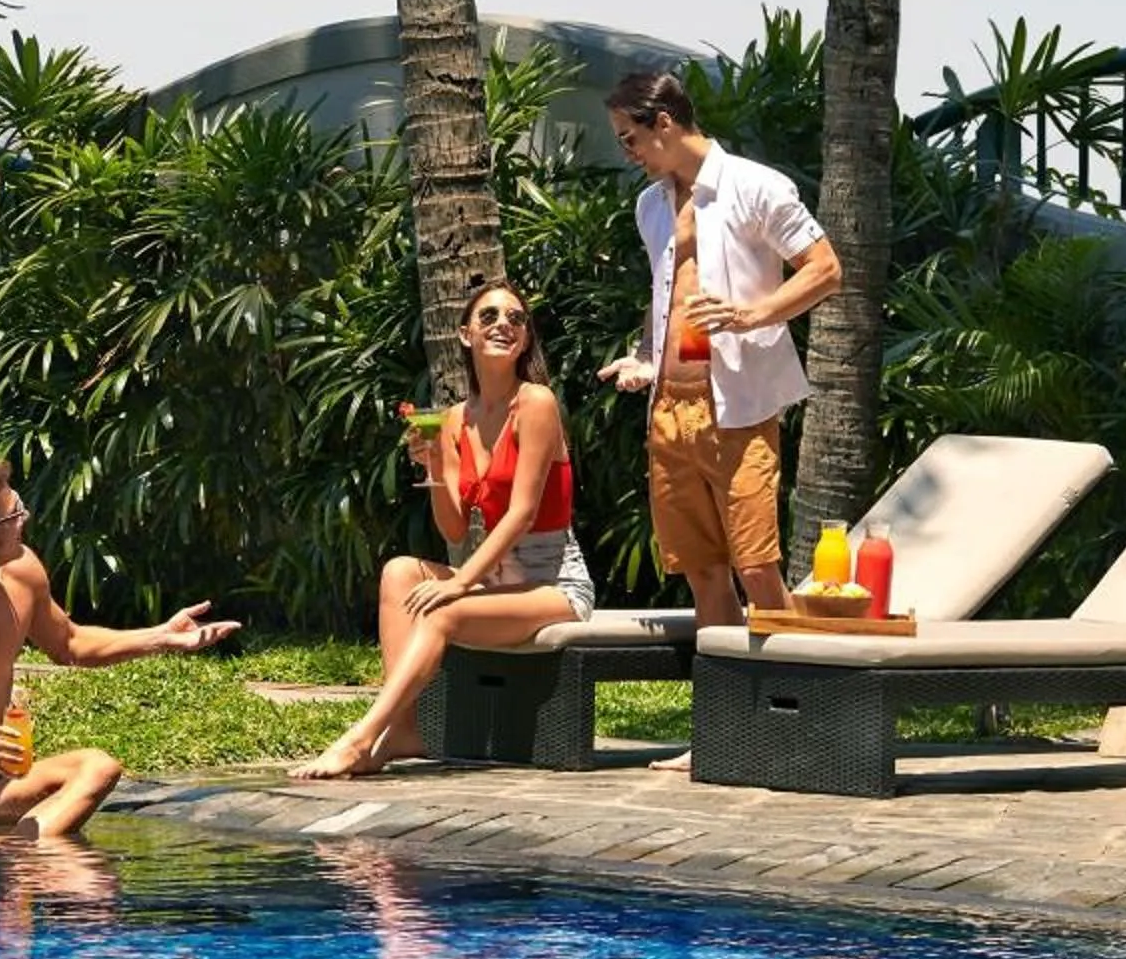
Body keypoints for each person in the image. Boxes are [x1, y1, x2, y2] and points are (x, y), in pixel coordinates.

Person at [293, 277, 598, 780]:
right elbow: (456, 530)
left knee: (442, 613)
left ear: (525, 339)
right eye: (490, 317)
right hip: (493, 578)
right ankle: (405, 732)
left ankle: (362, 737)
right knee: (398, 572)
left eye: (516, 319)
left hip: (553, 585)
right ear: (464, 334)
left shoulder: (536, 402)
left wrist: (458, 583)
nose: (504, 324)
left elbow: (522, 512)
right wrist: (435, 466)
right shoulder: (456, 417)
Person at [0, 460, 241, 845]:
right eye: (14, 514)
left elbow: (71, 644)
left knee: (98, 768)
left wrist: (161, 637)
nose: (24, 519)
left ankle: (19, 857)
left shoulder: (22, 573)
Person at [594, 71, 840, 646]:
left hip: (739, 406)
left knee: (755, 565)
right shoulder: (650, 207)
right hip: (668, 410)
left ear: (665, 123)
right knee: (702, 570)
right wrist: (644, 358)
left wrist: (752, 315)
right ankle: (729, 724)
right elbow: (668, 296)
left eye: (629, 138)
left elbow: (826, 269)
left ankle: (795, 712)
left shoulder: (757, 187)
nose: (626, 152)